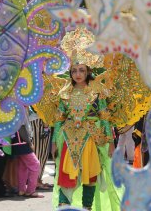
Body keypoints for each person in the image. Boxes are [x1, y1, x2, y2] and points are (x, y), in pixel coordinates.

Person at [51, 26, 120, 210]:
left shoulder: (97, 91)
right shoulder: (65, 92)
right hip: (67, 138)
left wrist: (111, 142)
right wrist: (53, 142)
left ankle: (87, 208)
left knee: (90, 176)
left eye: (81, 70)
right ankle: (63, 207)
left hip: (90, 138)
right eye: (74, 71)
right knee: (66, 177)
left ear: (88, 71)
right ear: (71, 72)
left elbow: (105, 118)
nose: (78, 74)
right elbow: (59, 119)